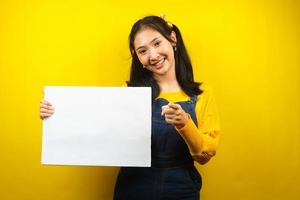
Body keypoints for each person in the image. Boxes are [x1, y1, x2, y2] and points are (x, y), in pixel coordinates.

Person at [40, 15, 220, 200]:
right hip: (133, 187)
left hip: (182, 189)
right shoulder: (128, 93)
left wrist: (185, 124)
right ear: (138, 57)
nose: (153, 56)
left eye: (157, 43)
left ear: (173, 39)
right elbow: (94, 128)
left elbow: (205, 156)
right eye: (143, 51)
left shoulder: (201, 93)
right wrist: (56, 114)